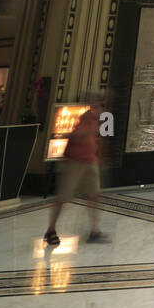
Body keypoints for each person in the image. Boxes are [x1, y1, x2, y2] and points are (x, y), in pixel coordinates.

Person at [43, 96, 108, 246]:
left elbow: (97, 139)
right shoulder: (85, 119)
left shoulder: (97, 119)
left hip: (90, 161)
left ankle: (95, 230)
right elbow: (75, 136)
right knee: (64, 196)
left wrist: (98, 155)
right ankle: (51, 230)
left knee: (94, 195)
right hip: (75, 162)